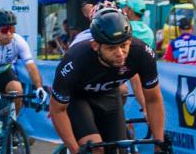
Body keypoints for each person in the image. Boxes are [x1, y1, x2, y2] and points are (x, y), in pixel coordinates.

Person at [49, 8, 166, 154]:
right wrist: (75, 150)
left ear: (129, 40)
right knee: (96, 149)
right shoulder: (75, 60)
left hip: (109, 95)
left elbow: (153, 99)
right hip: (77, 98)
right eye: (111, 48)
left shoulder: (142, 53)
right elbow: (57, 110)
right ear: (95, 46)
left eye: (123, 45)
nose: (119, 53)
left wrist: (159, 145)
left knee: (120, 149)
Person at [0, 10, 47, 154]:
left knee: (17, 90)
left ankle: (10, 125)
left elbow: (31, 67)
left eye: (12, 29)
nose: (9, 34)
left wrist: (39, 87)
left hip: (3, 71)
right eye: (5, 30)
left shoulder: (18, 41)